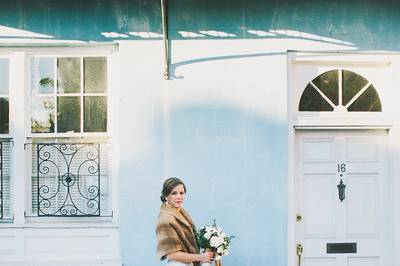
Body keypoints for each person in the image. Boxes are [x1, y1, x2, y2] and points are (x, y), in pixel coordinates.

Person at [156, 177, 214, 266]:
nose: (179, 197)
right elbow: (171, 255)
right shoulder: (165, 219)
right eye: (174, 193)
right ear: (166, 196)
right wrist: (200, 257)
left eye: (181, 193)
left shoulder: (180, 211)